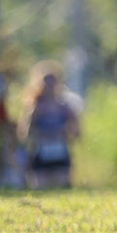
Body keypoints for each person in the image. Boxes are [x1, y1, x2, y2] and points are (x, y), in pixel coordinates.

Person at [18, 60, 81, 189]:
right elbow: (25, 133)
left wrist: (65, 132)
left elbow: (77, 133)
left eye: (53, 81)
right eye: (46, 82)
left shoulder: (65, 107)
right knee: (41, 189)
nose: (50, 86)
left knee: (62, 187)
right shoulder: (35, 107)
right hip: (41, 152)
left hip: (60, 151)